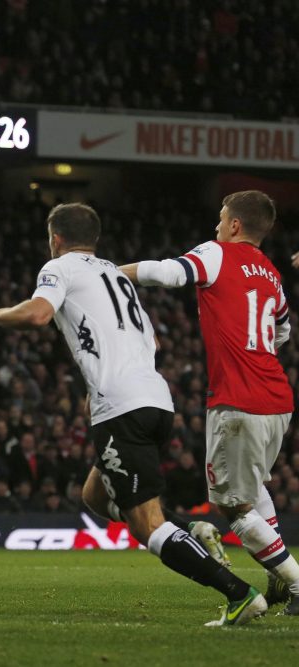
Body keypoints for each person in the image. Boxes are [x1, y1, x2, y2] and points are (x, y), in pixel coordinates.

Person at [0, 204, 263, 626]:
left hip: (122, 405)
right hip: (155, 399)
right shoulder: (111, 273)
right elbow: (150, 340)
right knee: (96, 496)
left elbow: (38, 313)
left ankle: (239, 594)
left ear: (56, 238)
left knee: (146, 526)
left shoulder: (60, 267)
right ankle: (193, 533)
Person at [122, 190, 299, 617]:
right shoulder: (272, 274)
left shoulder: (217, 253)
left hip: (238, 400)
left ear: (235, 225)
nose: (217, 225)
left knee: (233, 507)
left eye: (221, 218)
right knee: (253, 487)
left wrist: (106, 273)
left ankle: (295, 582)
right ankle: (280, 576)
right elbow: (282, 332)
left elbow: (167, 273)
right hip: (278, 396)